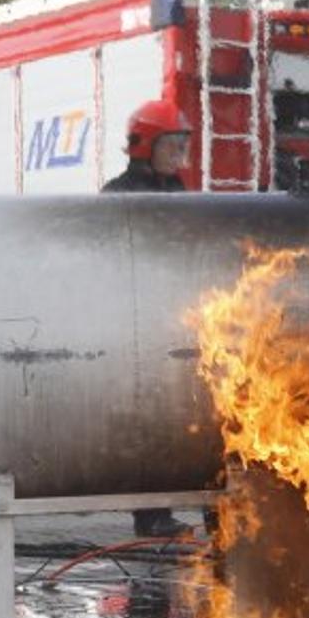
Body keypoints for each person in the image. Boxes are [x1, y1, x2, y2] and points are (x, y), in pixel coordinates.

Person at [102, 98, 195, 538]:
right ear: (145, 146)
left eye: (183, 145)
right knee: (149, 422)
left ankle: (201, 510)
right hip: (136, 325)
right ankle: (150, 515)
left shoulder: (179, 193)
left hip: (174, 320)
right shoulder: (118, 195)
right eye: (171, 145)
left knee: (182, 419)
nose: (179, 154)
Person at [102, 98, 191, 192]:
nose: (176, 153)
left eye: (181, 145)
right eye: (169, 145)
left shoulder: (174, 184)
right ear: (145, 148)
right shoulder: (118, 191)